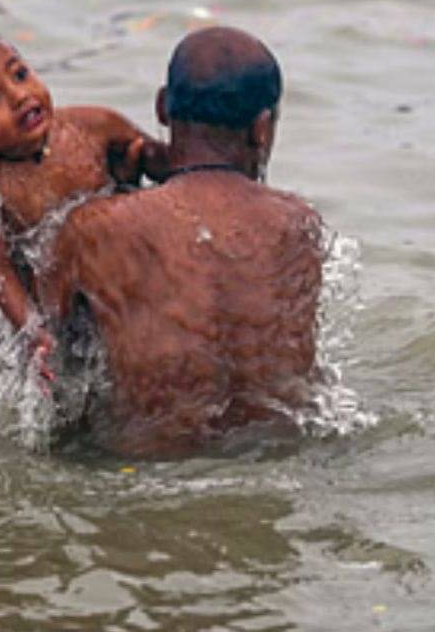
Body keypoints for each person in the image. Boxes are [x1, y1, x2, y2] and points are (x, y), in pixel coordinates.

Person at [36, 26, 325, 458]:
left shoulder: (94, 228)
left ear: (161, 107)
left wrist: (111, 194)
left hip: (142, 471)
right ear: (262, 129)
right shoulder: (299, 226)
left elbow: (40, 363)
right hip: (273, 462)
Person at [0, 30, 165, 378]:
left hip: (119, 296)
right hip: (57, 322)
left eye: (20, 74)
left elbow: (167, 166)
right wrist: (31, 329)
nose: (20, 96)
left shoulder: (94, 126)